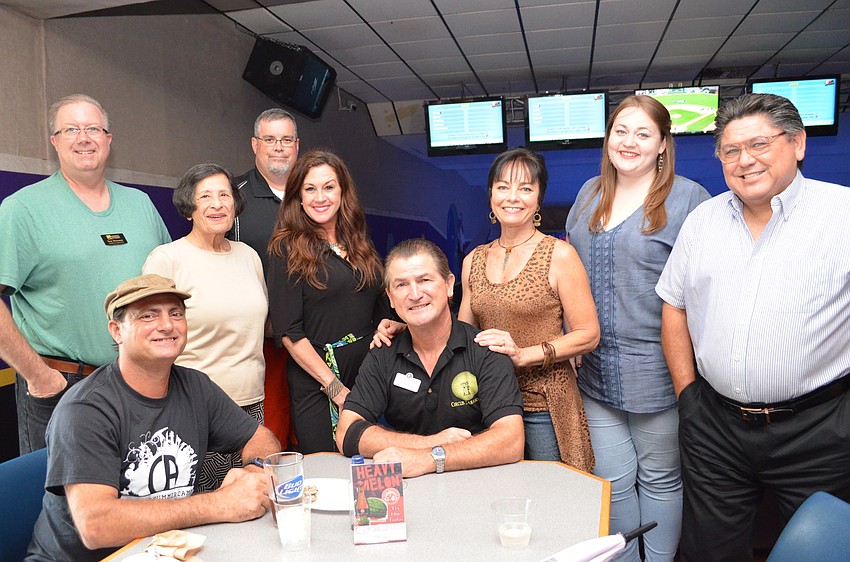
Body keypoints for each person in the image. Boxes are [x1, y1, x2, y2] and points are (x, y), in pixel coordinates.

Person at [656, 93, 850, 562]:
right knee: (707, 553)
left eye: (759, 144)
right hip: (715, 427)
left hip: (820, 431)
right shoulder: (703, 221)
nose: (745, 161)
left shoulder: (842, 214)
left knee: (818, 550)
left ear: (798, 144)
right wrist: (688, 397)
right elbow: (673, 306)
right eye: (731, 150)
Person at [26, 274, 280, 562]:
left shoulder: (195, 386)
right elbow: (96, 526)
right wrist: (219, 503)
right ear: (116, 331)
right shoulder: (85, 410)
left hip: (162, 553)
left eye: (175, 314)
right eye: (148, 316)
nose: (167, 325)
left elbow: (260, 437)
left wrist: (255, 472)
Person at [566, 95, 710, 561]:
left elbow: (707, 290)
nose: (629, 142)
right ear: (608, 138)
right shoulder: (590, 193)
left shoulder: (689, 198)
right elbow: (570, 275)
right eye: (620, 131)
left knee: (661, 478)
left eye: (643, 134)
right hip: (594, 372)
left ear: (663, 144)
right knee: (613, 480)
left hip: (660, 370)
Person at [0, 94, 170, 454]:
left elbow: (168, 289)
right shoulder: (23, 209)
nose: (84, 138)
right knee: (62, 507)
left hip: (140, 384)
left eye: (93, 128)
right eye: (71, 129)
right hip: (61, 387)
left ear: (108, 138)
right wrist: (39, 377)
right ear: (54, 142)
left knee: (138, 500)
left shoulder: (140, 205)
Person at [457, 147, 599, 472]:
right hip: (490, 403)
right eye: (503, 186)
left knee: (553, 502)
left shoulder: (559, 255)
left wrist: (522, 355)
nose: (513, 196)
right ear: (491, 193)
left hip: (545, 404)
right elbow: (463, 337)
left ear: (538, 199)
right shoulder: (473, 261)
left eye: (526, 188)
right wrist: (406, 329)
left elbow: (588, 336)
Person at [337, 239, 524, 477]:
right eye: (402, 285)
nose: (415, 294)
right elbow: (347, 432)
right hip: (409, 491)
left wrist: (431, 458)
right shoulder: (383, 352)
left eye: (424, 280)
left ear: (448, 285)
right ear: (391, 298)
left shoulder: (485, 350)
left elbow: (511, 441)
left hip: (479, 485)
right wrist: (431, 444)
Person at [142, 163, 268, 491]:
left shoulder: (248, 256)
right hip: (194, 410)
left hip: (251, 406)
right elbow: (147, 337)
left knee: (252, 501)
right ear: (189, 208)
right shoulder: (167, 259)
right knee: (204, 511)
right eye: (206, 196)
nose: (217, 204)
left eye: (224, 195)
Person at [267, 150, 399, 453]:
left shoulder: (358, 241)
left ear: (342, 192)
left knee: (375, 464)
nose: (319, 197)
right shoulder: (286, 248)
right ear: (297, 197)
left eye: (328, 187)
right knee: (329, 471)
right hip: (318, 384)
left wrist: (389, 327)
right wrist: (336, 389)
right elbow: (289, 333)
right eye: (310, 189)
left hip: (368, 376)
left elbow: (379, 309)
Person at [228, 108, 301, 449]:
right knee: (270, 440)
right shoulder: (232, 197)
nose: (278, 147)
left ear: (297, 145)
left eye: (286, 140)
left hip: (315, 339)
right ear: (254, 144)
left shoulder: (314, 192)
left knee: (316, 433)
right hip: (262, 344)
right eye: (270, 139)